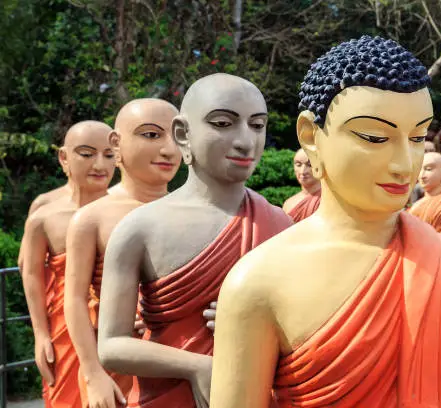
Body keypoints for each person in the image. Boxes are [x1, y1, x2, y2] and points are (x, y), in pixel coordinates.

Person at [209, 35, 441, 407]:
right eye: (375, 137)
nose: (404, 162)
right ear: (311, 136)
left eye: (417, 137)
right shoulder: (258, 282)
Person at [97, 74, 292, 408]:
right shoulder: (140, 227)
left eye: (257, 125)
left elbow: (302, 323)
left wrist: (259, 322)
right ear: (183, 134)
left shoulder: (280, 224)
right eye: (223, 123)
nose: (246, 141)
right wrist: (197, 366)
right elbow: (112, 345)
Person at [64, 99, 181, 408]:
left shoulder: (194, 212)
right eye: (152, 135)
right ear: (116, 143)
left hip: (184, 361)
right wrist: (92, 372)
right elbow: (74, 299)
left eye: (178, 135)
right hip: (115, 369)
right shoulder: (92, 218)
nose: (169, 149)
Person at [22, 121, 116, 407]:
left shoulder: (128, 209)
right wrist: (40, 333)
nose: (99, 164)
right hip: (64, 327)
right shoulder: (44, 214)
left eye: (110, 155)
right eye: (86, 154)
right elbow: (31, 272)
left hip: (117, 323)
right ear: (64, 157)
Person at [409, 152, 441, 245]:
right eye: (419, 169)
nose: (422, 175)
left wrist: (422, 237)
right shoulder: (418, 204)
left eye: (428, 169)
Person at [282, 148, 321, 222]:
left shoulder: (328, 200)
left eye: (309, 165)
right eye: (298, 165)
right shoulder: (288, 203)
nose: (303, 171)